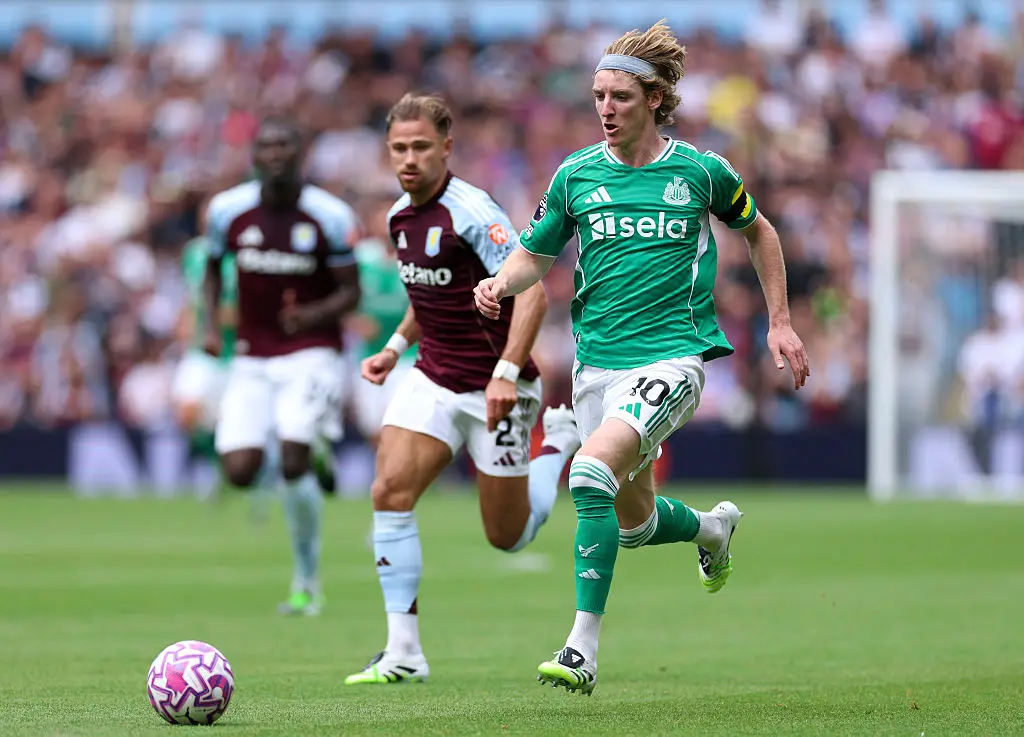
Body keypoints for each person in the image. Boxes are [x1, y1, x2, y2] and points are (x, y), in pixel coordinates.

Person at [474, 21, 811, 695]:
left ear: (655, 99)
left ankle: (581, 648)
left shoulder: (701, 171)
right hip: (596, 367)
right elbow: (535, 255)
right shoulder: (575, 174)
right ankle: (712, 529)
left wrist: (780, 321)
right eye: (599, 96)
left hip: (672, 360)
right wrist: (498, 283)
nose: (605, 108)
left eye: (620, 97)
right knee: (633, 524)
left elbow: (760, 232)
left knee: (589, 472)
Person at [344, 93, 581, 685]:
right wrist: (394, 347)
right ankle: (403, 652)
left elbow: (532, 294)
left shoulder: (474, 213)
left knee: (508, 537)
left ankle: (556, 446)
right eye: (399, 148)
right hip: (432, 375)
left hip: (498, 387)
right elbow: (430, 294)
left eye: (421, 147)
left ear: (446, 148)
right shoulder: (399, 216)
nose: (409, 159)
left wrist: (506, 372)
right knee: (388, 490)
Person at [203, 117, 362, 616]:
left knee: (292, 459)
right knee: (240, 470)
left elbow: (351, 291)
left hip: (312, 350)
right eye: (265, 146)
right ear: (254, 156)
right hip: (252, 355)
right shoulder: (227, 211)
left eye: (283, 146)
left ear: (300, 154)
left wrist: (309, 316)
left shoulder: (329, 215)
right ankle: (318, 449)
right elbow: (211, 270)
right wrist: (211, 325)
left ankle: (306, 581)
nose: (274, 154)